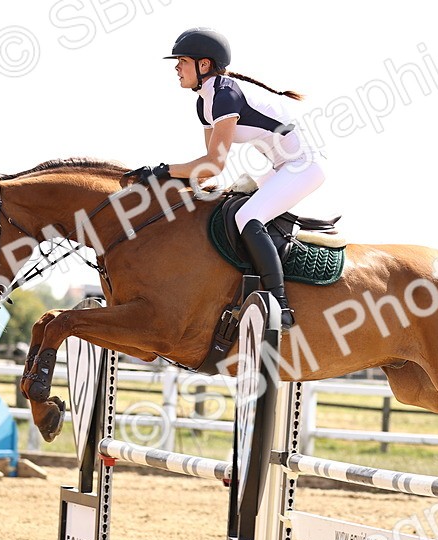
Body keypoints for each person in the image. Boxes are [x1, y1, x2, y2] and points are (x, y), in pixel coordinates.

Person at [124, 27, 325, 329]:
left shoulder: (225, 95)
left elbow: (214, 164)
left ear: (203, 65)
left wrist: (163, 170)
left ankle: (279, 304)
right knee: (226, 204)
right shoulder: (204, 102)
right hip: (280, 166)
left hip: (303, 165)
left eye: (182, 60)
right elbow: (207, 172)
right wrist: (168, 183)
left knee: (248, 216)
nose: (176, 67)